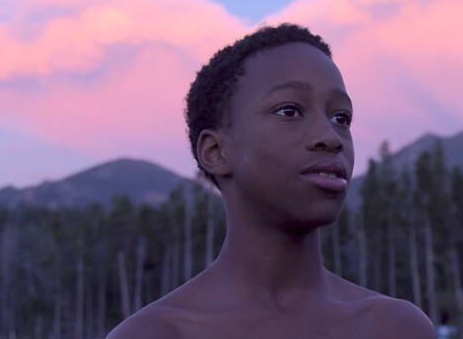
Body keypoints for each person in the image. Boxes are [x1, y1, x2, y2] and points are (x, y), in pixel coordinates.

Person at [107, 23, 437, 338]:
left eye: (341, 117)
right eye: (289, 111)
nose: (330, 137)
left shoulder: (395, 329)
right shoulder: (157, 334)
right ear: (217, 151)